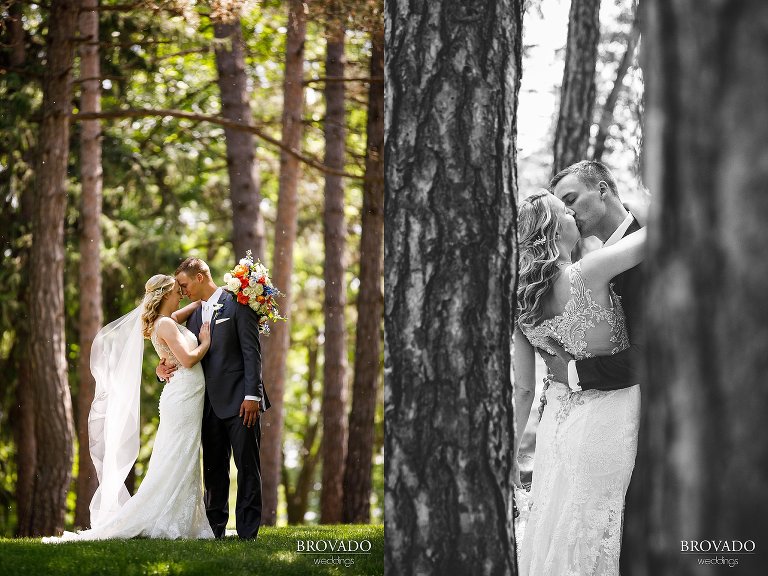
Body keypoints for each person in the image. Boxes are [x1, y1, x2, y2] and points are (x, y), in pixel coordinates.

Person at [512, 188, 645, 575]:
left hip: (557, 425)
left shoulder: (519, 299)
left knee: (555, 523)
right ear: (556, 230)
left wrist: (510, 457)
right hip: (610, 417)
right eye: (565, 212)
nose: (573, 214)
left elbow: (522, 390)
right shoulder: (591, 271)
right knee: (596, 524)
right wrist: (639, 203)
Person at [44, 274, 213, 542]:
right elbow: (189, 359)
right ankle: (162, 516)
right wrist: (205, 341)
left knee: (182, 454)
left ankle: (179, 517)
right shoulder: (166, 324)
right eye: (176, 290)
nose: (181, 292)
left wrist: (206, 299)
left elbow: (185, 314)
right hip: (182, 396)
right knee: (178, 454)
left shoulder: (169, 321)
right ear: (165, 294)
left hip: (186, 394)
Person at [548, 160, 648, 574]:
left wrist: (573, 375)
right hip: (603, 421)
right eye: (560, 208)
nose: (567, 213)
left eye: (571, 200)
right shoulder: (603, 260)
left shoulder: (644, 250)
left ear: (603, 189)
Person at [158, 257, 270, 540]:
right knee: (214, 470)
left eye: (184, 285)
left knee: (247, 467)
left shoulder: (239, 304)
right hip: (205, 405)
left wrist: (252, 395)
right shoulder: (193, 315)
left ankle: (247, 532)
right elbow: (178, 349)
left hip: (240, 402)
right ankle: (215, 529)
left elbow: (251, 353)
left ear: (199, 277)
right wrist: (161, 368)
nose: (182, 291)